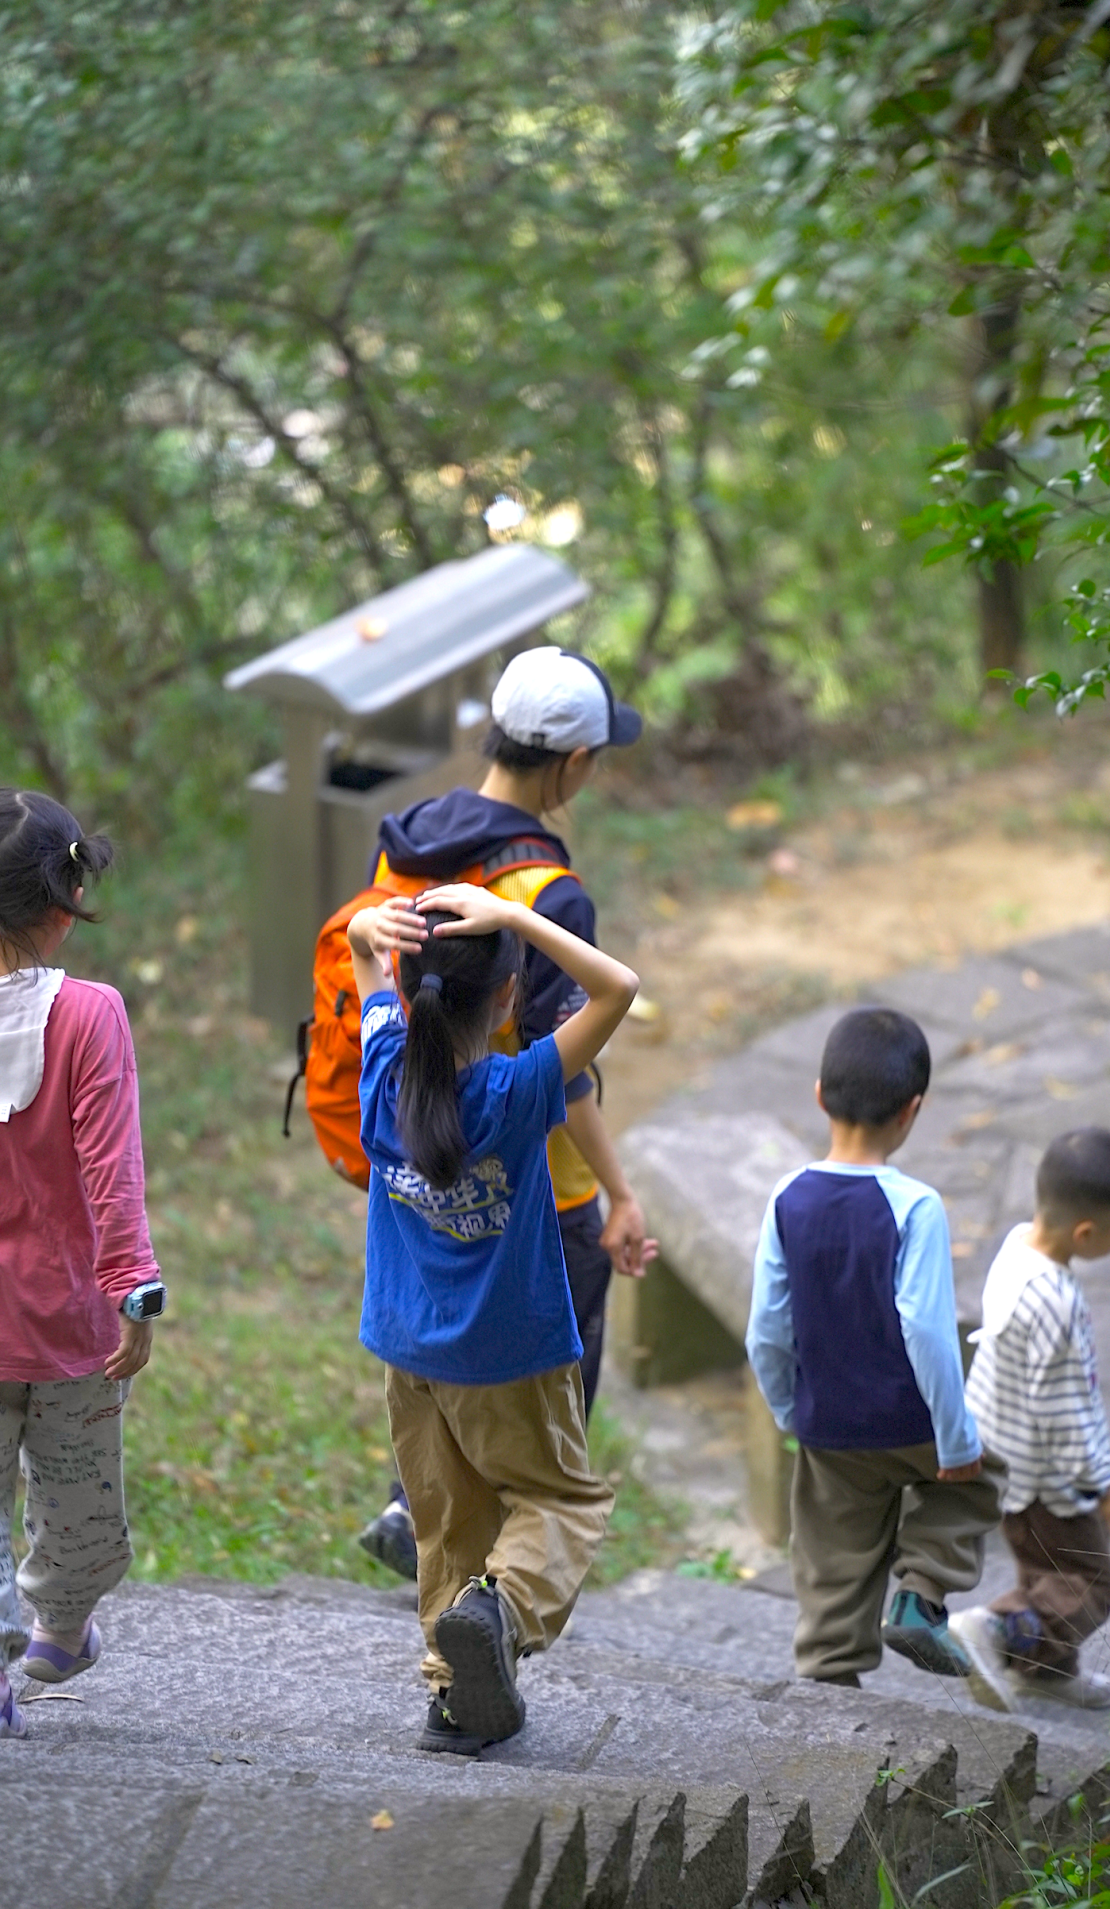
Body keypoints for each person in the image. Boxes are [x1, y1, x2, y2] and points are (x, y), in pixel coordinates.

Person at [358, 646, 657, 1578]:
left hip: (418, 1149)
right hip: (536, 1185)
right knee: (546, 1407)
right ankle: (510, 1574)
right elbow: (565, 1076)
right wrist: (618, 1195)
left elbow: (386, 991)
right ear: (575, 762)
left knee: (446, 1331)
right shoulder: (546, 891)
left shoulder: (408, 845)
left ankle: (417, 1505)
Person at [346, 877, 638, 1752]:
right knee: (562, 1501)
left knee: (448, 1524)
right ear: (509, 996)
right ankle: (501, 1613)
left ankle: (452, 1696)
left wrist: (366, 934)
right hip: (512, 1357)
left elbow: (366, 964)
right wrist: (515, 913)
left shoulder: (383, 1073)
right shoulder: (520, 1088)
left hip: (409, 1354)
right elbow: (618, 987)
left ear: (408, 993)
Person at [747, 1007, 1003, 1688]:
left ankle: (829, 1679)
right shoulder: (916, 1206)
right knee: (983, 1477)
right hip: (909, 1422)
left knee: (832, 1560)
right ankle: (920, 1595)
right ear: (912, 1109)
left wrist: (789, 1409)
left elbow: (765, 1328)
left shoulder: (787, 1198)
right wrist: (956, 1440)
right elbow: (927, 1329)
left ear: (819, 1095)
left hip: (828, 1424)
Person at [0, 789, 163, 1741]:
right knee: (77, 1502)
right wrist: (134, 1291)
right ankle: (60, 1630)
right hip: (72, 1329)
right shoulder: (91, 1016)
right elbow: (112, 1171)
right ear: (68, 905)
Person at [951, 1127, 1110, 1712]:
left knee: (1047, 1572)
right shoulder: (1055, 1301)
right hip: (1047, 1479)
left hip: (1003, 1455)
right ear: (1086, 1234)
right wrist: (1102, 1487)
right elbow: (1065, 1414)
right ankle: (995, 1629)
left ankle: (1044, 1673)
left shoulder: (1017, 1245)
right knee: (1089, 1585)